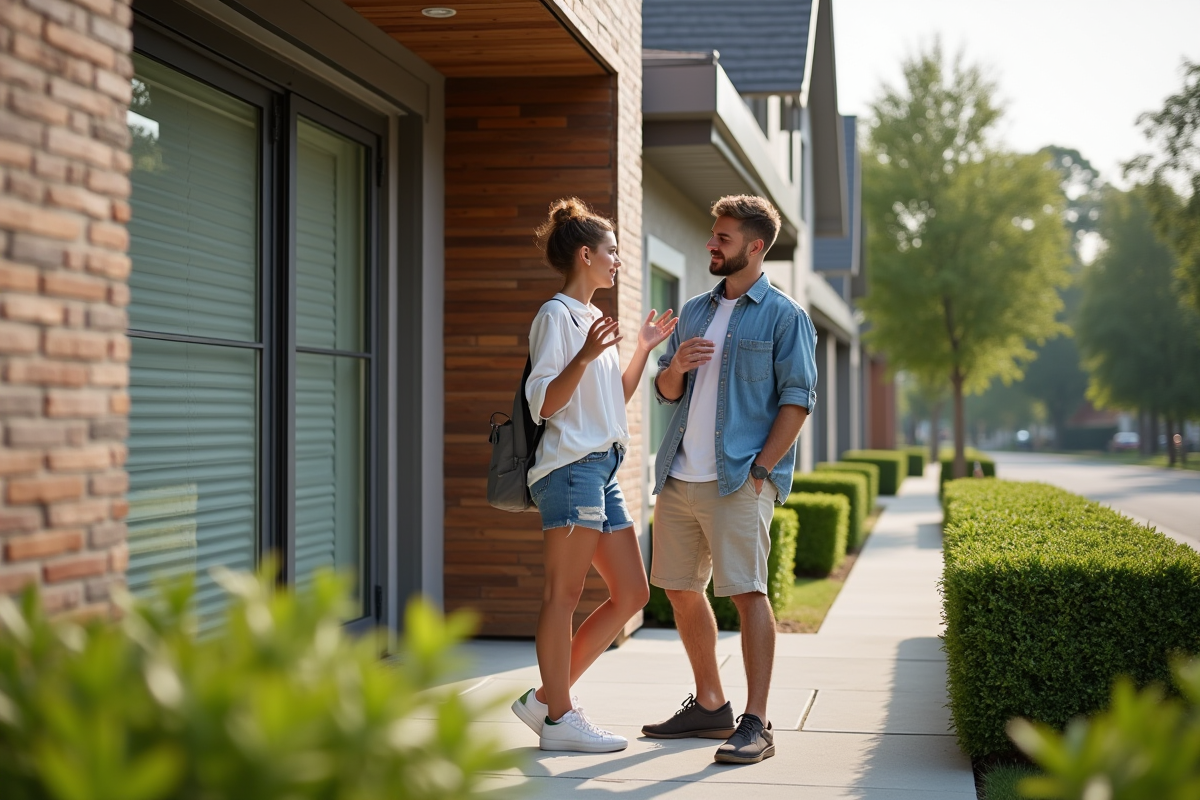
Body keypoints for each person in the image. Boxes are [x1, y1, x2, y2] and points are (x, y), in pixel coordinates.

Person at [641, 195, 818, 764]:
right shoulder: (695, 310)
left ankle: (757, 723)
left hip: (738, 477)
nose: (711, 244)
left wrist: (761, 470)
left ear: (755, 247)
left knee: (747, 592)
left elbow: (798, 400)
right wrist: (675, 367)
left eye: (723, 238)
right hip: (679, 475)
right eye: (713, 235)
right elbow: (666, 392)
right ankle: (711, 704)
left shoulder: (785, 316)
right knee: (679, 588)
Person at [510, 197, 678, 753]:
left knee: (632, 592)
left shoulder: (590, 320)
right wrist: (582, 356)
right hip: (569, 469)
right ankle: (560, 719)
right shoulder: (555, 316)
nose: (618, 261)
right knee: (563, 593)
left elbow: (611, 401)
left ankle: (545, 700)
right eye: (612, 252)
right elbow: (544, 404)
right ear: (586, 255)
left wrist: (642, 350)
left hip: (601, 469)